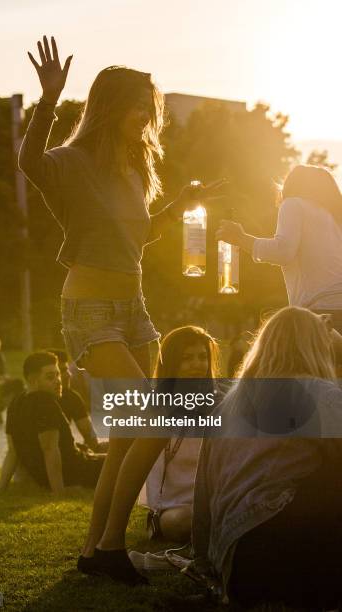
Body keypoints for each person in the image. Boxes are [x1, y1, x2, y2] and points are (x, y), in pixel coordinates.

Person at [19, 35, 225, 583]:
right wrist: (47, 100)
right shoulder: (72, 161)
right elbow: (29, 160)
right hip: (89, 308)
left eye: (151, 107)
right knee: (157, 422)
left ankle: (94, 553)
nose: (147, 116)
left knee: (127, 439)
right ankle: (111, 545)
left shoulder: (134, 169)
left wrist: (177, 207)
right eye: (140, 106)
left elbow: (134, 239)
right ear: (111, 107)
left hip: (134, 306)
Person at [191, 306, 342, 608]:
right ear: (315, 347)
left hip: (236, 567)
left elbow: (203, 497)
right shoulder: (319, 393)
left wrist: (208, 566)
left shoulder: (227, 405)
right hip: (281, 556)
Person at [217, 164, 342, 343]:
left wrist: (241, 239)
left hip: (318, 313)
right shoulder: (337, 218)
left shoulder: (294, 204)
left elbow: (283, 251)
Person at [140, 326, 219, 544]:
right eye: (187, 358)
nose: (197, 364)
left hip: (216, 501)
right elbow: (153, 472)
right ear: (171, 363)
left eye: (203, 357)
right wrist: (155, 512)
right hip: (176, 508)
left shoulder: (220, 404)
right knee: (182, 522)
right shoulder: (159, 409)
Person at [0, 351, 105, 493]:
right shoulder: (45, 403)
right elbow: (50, 450)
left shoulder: (16, 402)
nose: (58, 380)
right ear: (33, 380)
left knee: (109, 456)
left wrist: (1, 488)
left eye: (58, 374)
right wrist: (59, 492)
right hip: (75, 471)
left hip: (44, 476)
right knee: (123, 461)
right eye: (50, 377)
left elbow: (12, 451)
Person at [48, 349, 108, 453]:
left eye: (67, 370)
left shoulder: (20, 400)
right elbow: (92, 441)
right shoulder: (70, 397)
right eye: (61, 371)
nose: (68, 375)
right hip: (63, 461)